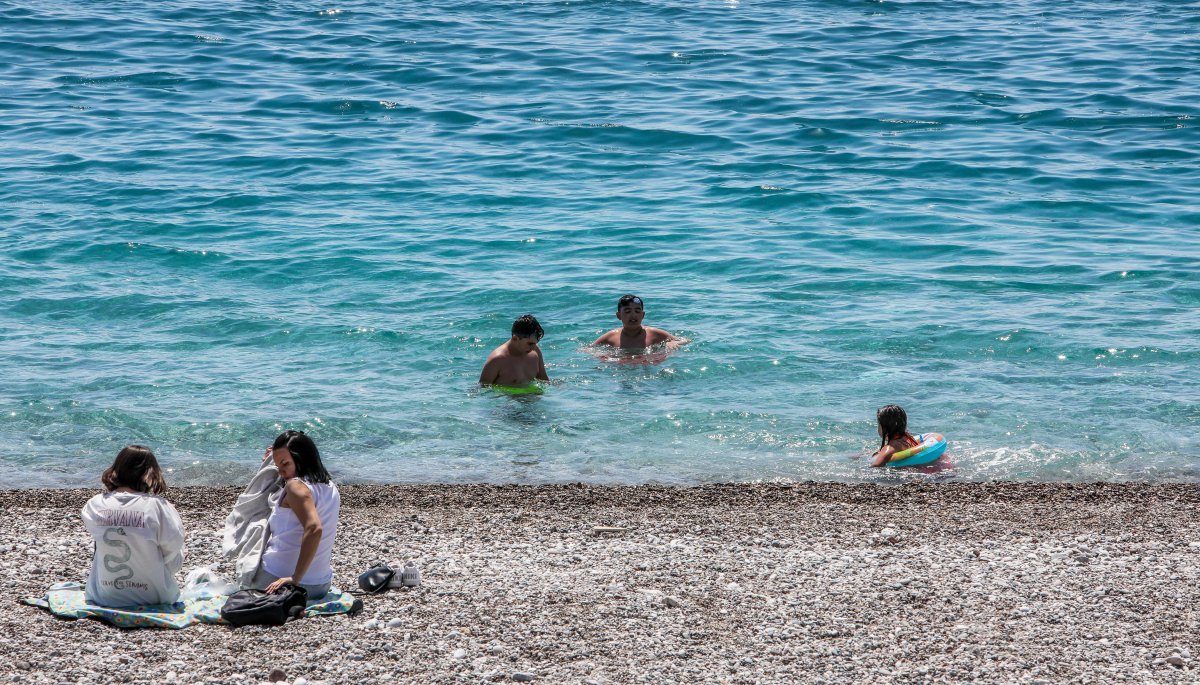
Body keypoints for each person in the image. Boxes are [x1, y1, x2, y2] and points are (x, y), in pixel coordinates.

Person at [81, 445, 186, 607]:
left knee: (101, 539)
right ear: (149, 474)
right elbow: (173, 549)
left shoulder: (95, 504)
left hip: (104, 597)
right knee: (173, 547)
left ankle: (112, 585)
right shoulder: (158, 507)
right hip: (154, 597)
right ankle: (152, 581)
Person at [252, 430, 340, 600]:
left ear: (302, 459)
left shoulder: (295, 487)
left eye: (285, 464)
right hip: (320, 585)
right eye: (278, 467)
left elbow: (314, 529)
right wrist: (273, 463)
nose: (281, 472)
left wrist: (295, 579)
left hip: (281, 582)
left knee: (252, 527)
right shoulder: (331, 487)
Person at [479, 314, 549, 388]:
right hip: (508, 399)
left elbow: (544, 381)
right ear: (515, 338)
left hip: (532, 397)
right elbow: (483, 389)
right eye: (530, 343)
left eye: (535, 343)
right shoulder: (497, 360)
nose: (533, 347)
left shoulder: (535, 351)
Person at [593, 294, 683, 351]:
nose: (633, 315)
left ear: (643, 315)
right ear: (619, 315)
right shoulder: (611, 337)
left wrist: (672, 342)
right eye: (628, 311)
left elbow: (685, 340)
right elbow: (588, 349)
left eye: (637, 311)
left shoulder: (654, 333)